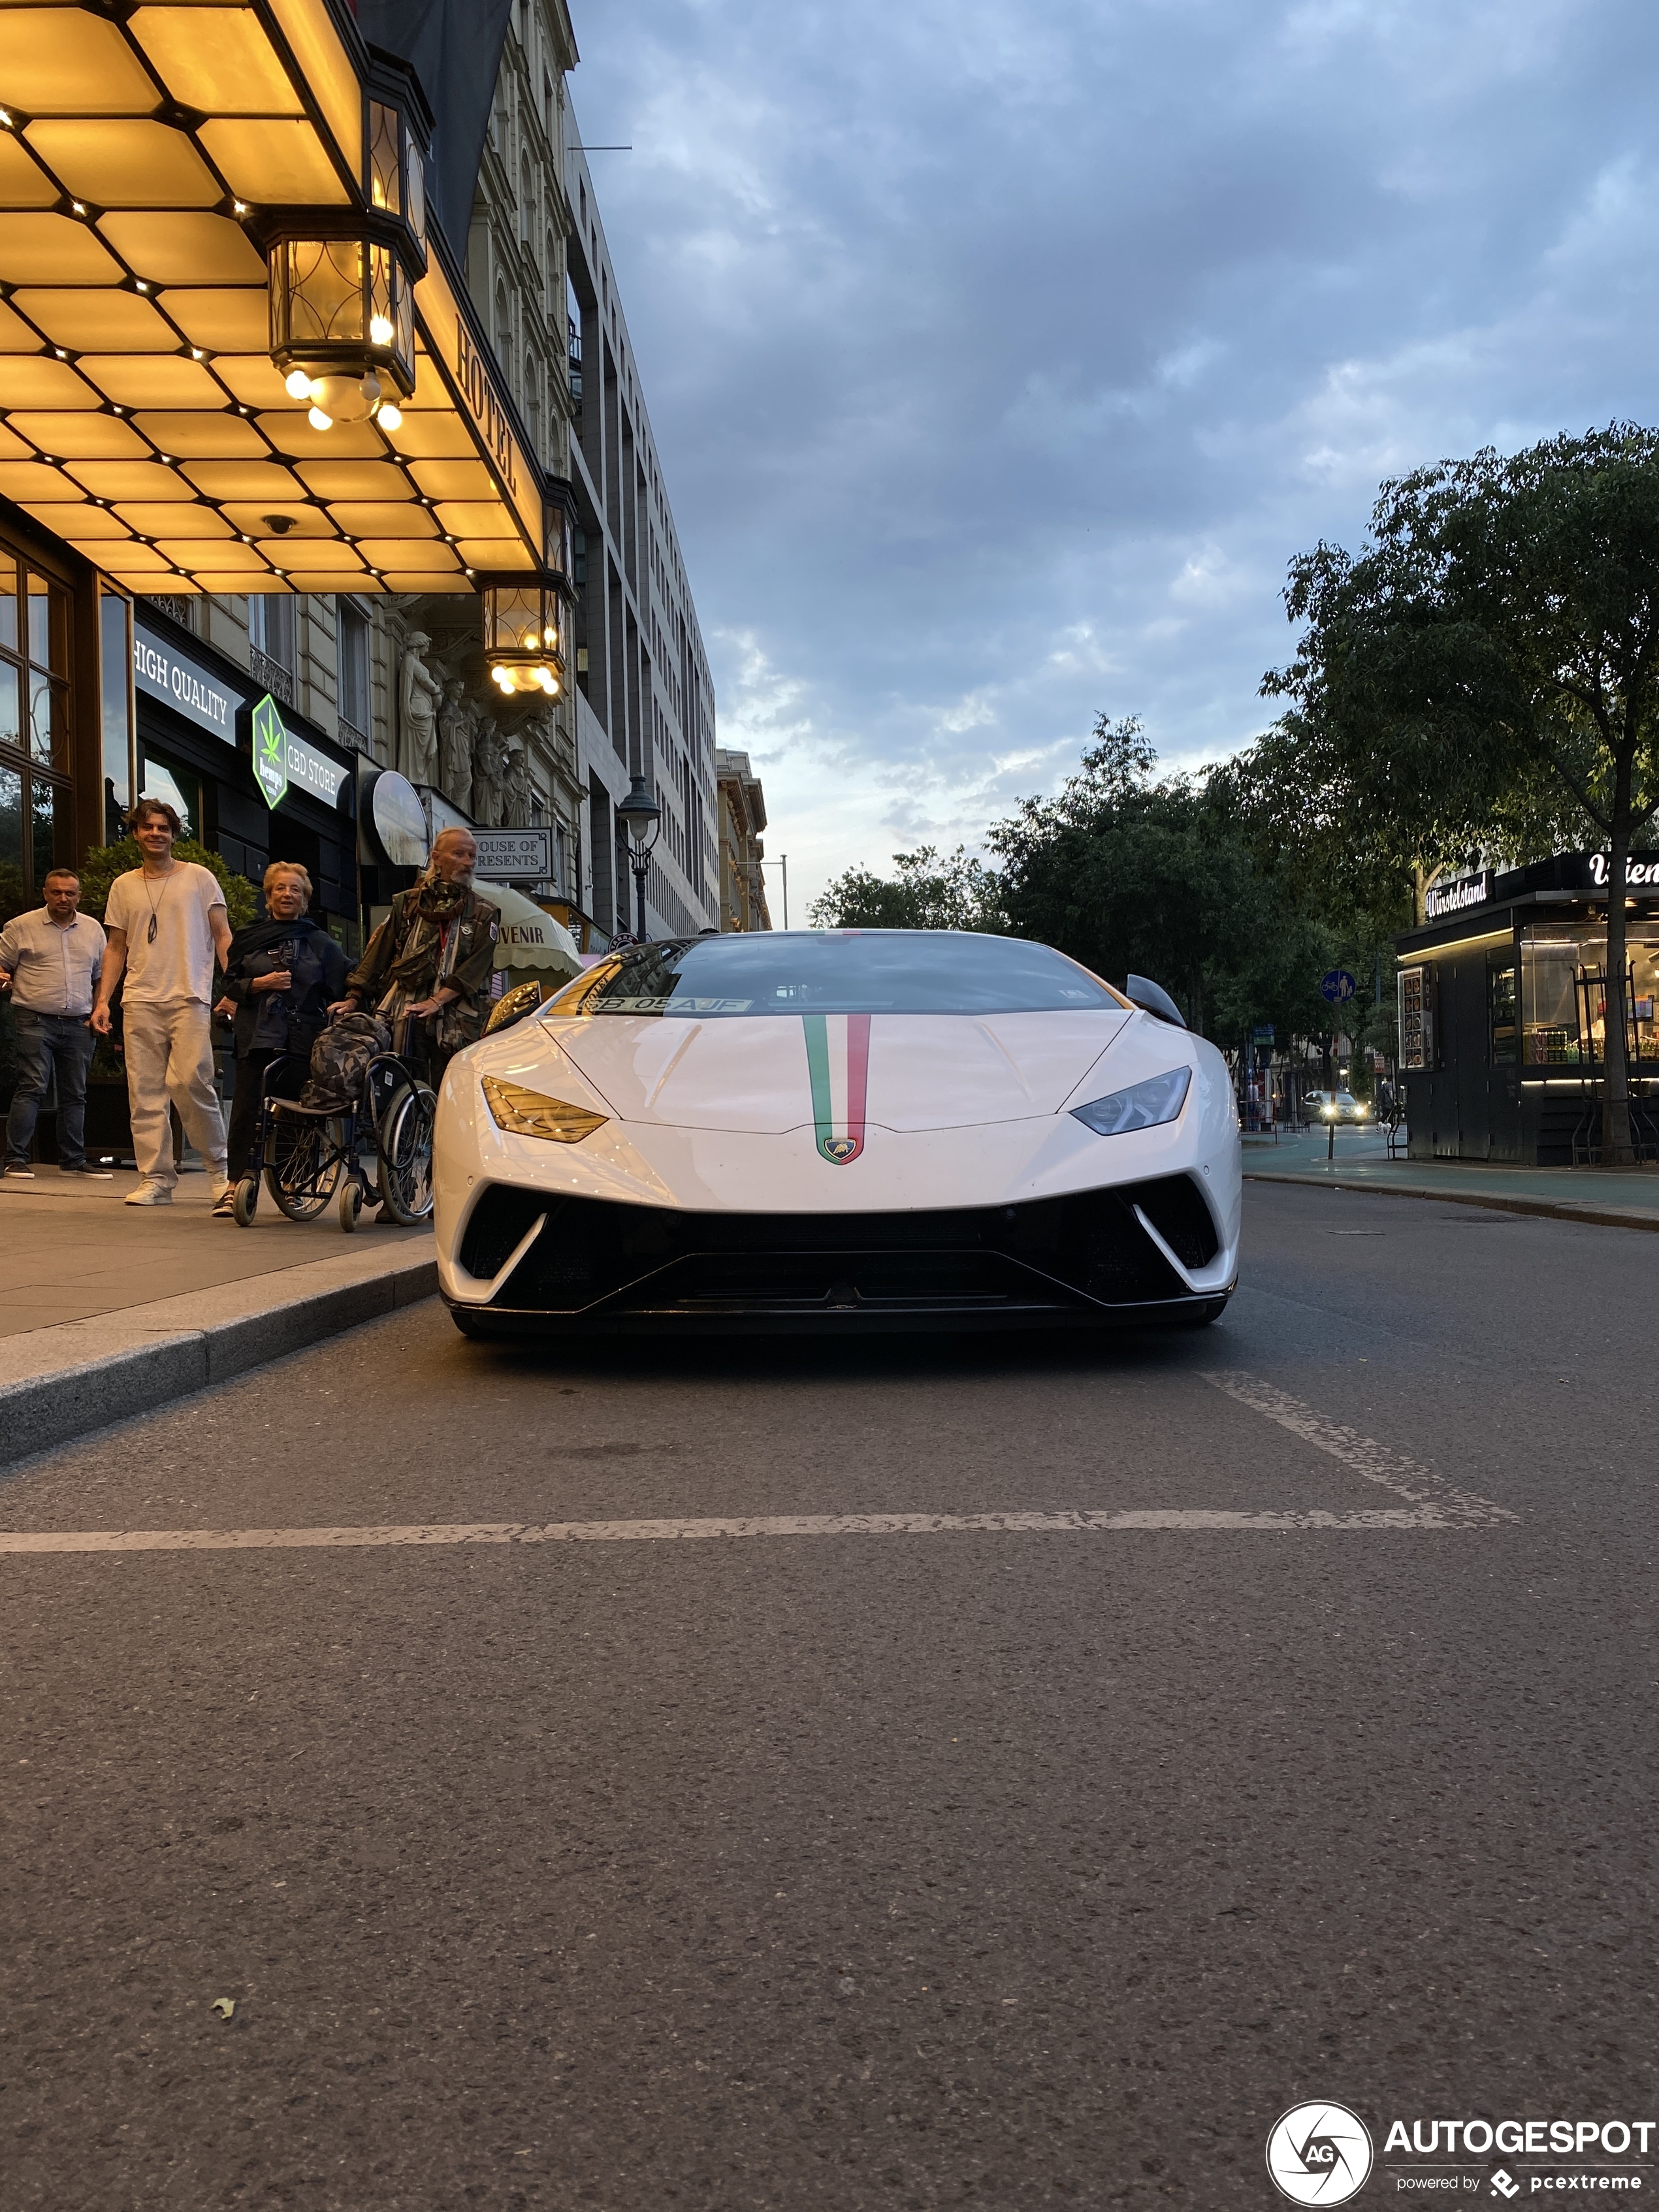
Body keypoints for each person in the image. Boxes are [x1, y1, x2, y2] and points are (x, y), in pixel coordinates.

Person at [91, 797, 233, 1208]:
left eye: (164, 828)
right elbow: (115, 948)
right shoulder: (123, 885)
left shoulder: (199, 878)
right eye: (148, 827)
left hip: (189, 996)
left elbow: (223, 935)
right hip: (139, 999)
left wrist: (235, 988)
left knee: (191, 1083)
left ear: (174, 834)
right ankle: (156, 1179)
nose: (156, 833)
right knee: (146, 1093)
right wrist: (104, 1000)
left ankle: (220, 1174)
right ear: (136, 833)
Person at [212, 862, 349, 1219]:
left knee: (297, 1111)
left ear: (304, 900)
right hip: (256, 1033)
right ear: (269, 895)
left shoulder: (319, 941)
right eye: (280, 889)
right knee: (245, 1109)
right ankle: (234, 1186)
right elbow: (229, 985)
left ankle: (297, 1183)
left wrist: (349, 1001)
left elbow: (347, 980)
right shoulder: (248, 936)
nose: (287, 895)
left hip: (303, 1036)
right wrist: (260, 984)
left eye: (295, 890)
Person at [330, 827, 498, 1085]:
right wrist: (354, 997)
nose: (467, 863)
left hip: (458, 1022)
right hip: (404, 1013)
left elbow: (474, 968)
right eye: (459, 854)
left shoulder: (485, 912)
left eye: (472, 856)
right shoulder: (407, 903)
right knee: (399, 1083)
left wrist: (437, 1001)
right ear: (436, 858)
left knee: (449, 1089)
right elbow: (379, 952)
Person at [0, 868, 110, 1179]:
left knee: (75, 1093)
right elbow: (2, 962)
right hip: (35, 1018)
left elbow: (102, 974)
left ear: (79, 896)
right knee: (33, 1087)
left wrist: (101, 1007)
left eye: (70, 893)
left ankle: (74, 1160)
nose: (64, 898)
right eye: (57, 892)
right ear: (46, 893)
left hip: (79, 1022)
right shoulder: (21, 927)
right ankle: (15, 1158)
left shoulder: (93, 930)